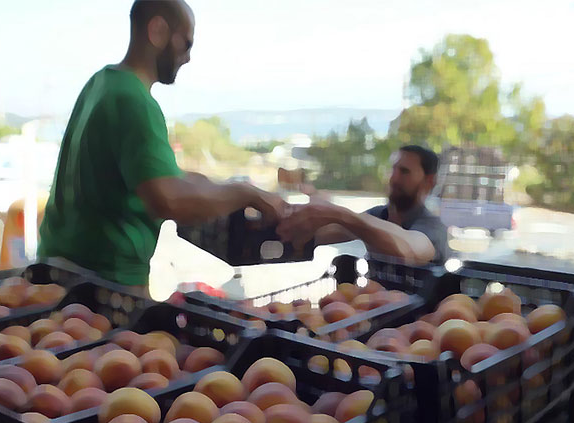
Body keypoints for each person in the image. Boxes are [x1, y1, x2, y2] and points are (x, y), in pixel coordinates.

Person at [38, 0, 286, 289]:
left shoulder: (103, 83)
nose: (188, 57)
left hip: (58, 270)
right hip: (101, 285)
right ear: (157, 31)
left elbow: (158, 177)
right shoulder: (135, 101)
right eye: (187, 43)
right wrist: (245, 194)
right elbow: (168, 200)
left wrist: (229, 187)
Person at [277, 145, 450, 265]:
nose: (393, 178)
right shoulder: (377, 215)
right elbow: (326, 232)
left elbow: (409, 251)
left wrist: (338, 213)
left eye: (404, 172)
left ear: (429, 181)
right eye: (393, 169)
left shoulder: (433, 228)